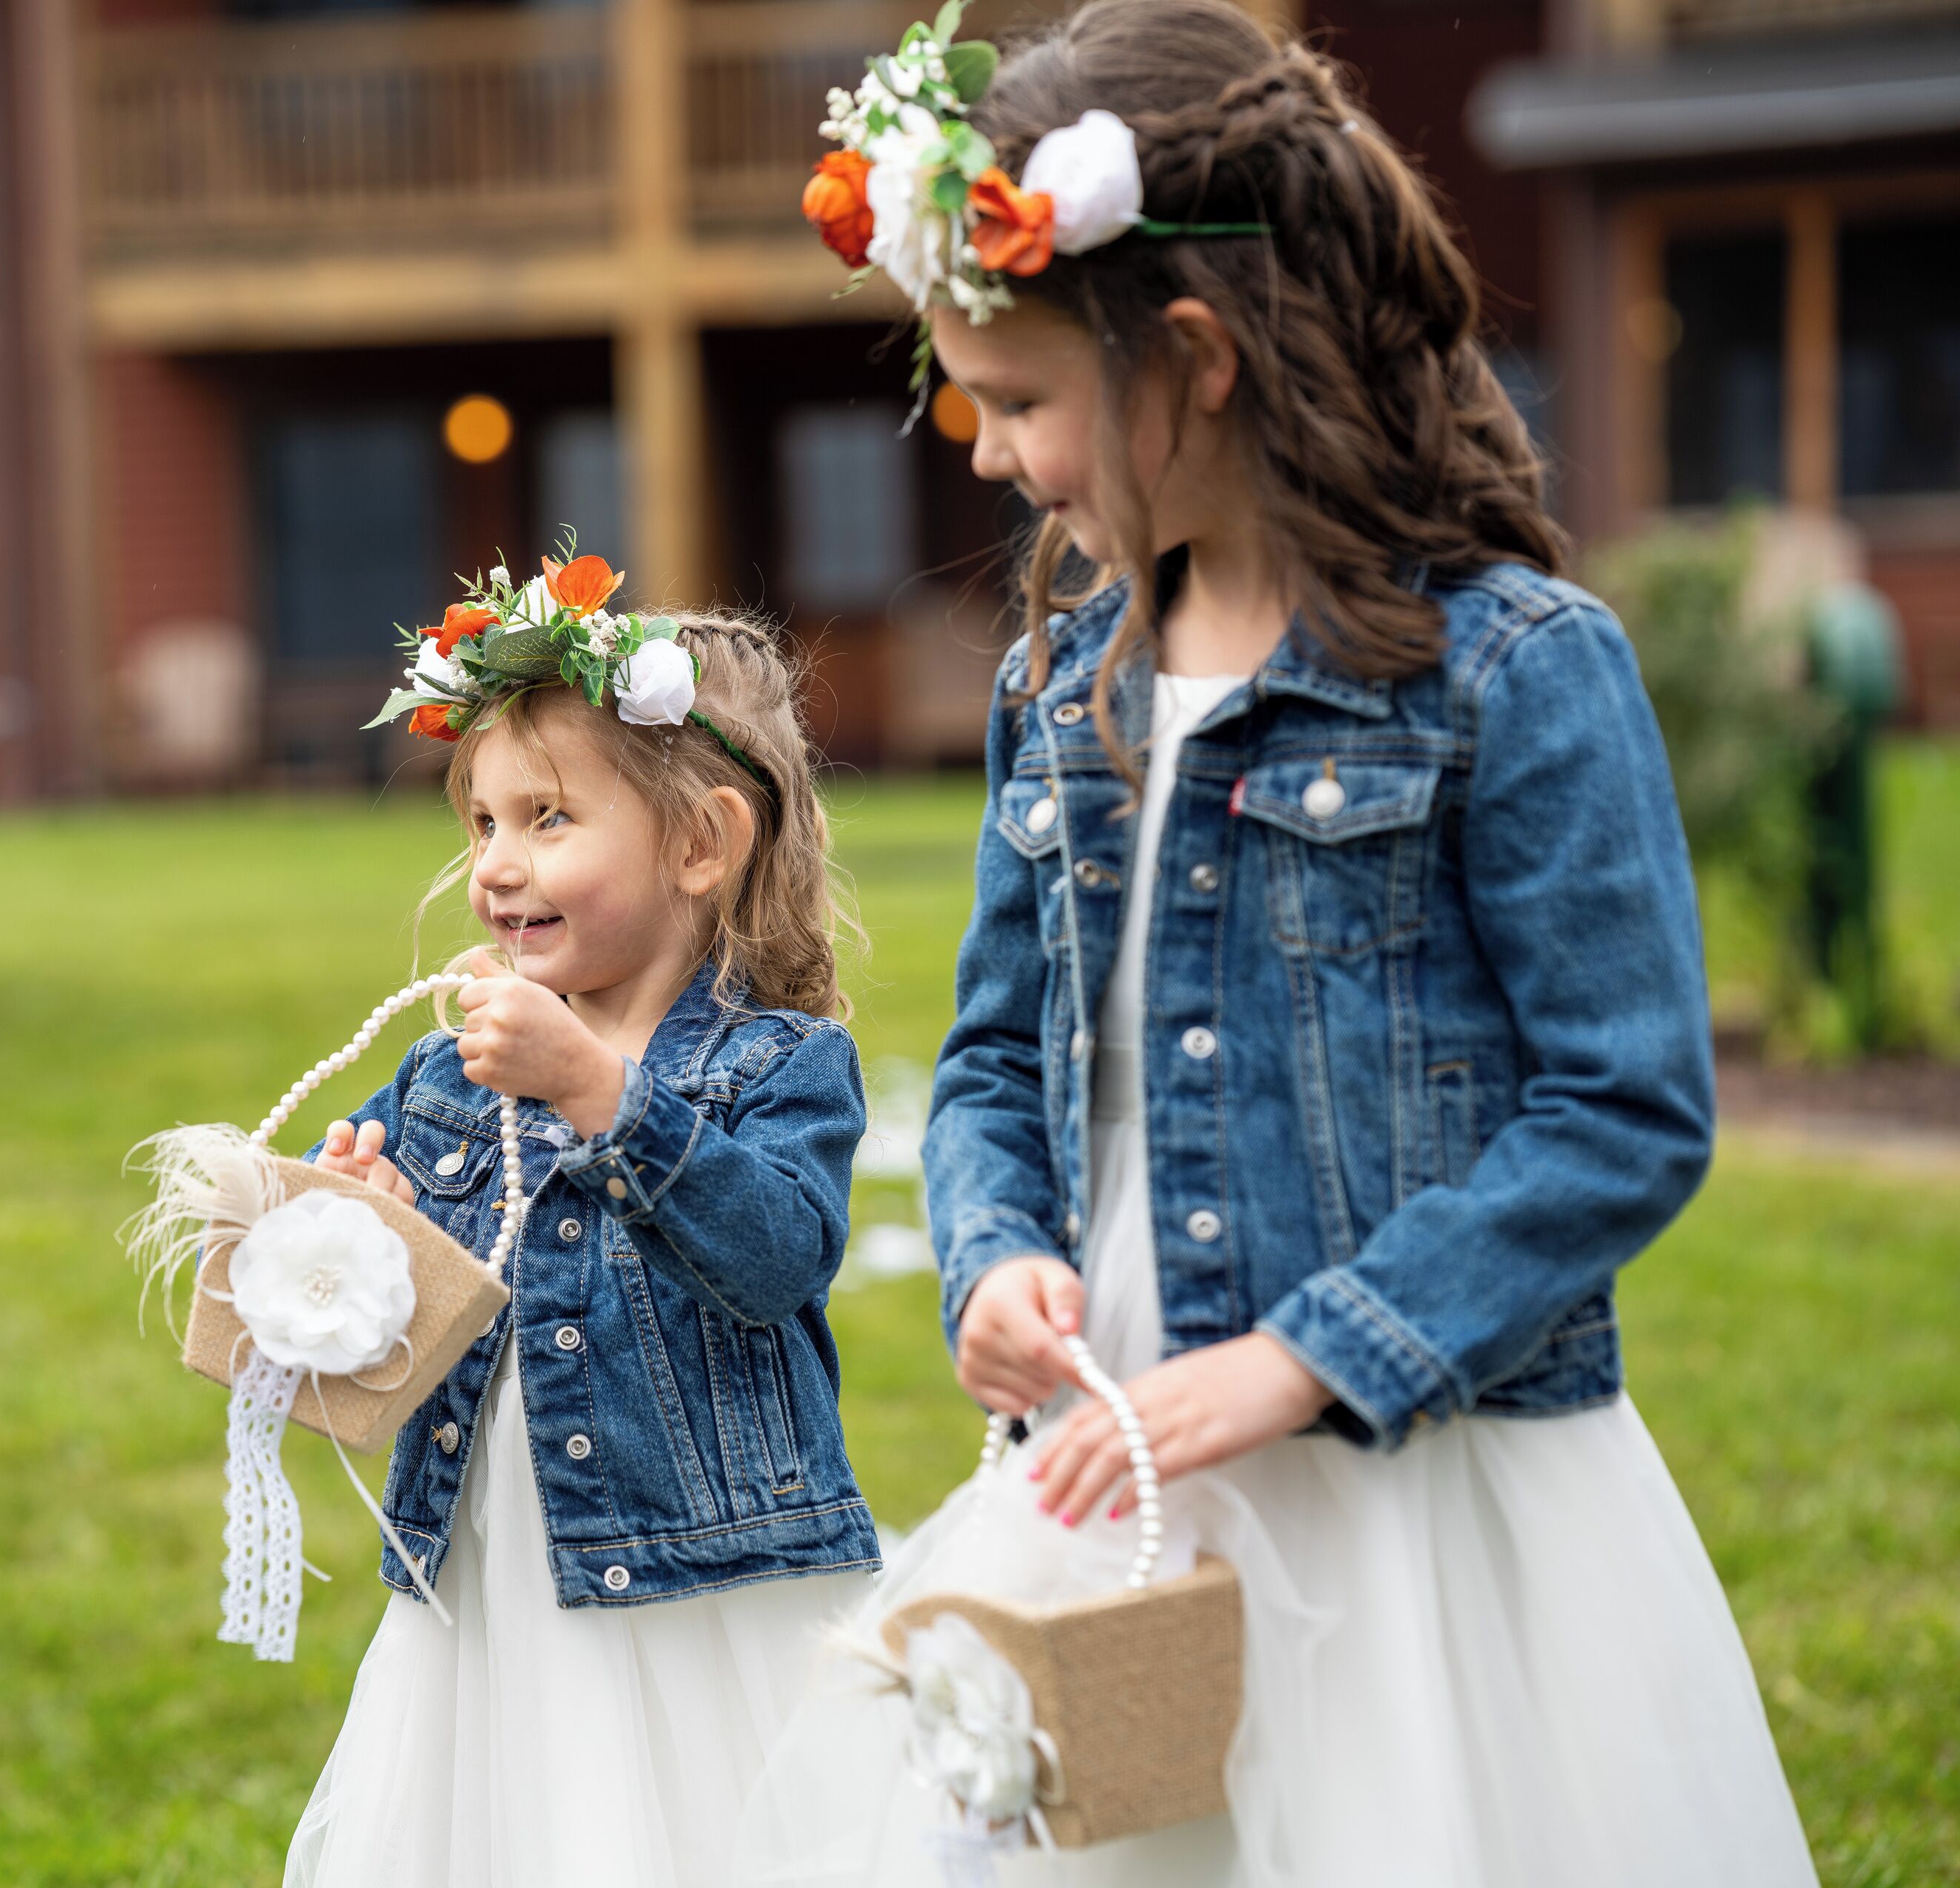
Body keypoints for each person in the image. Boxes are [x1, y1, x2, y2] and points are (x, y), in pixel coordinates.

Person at [740, 4, 1818, 1883]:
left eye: (1015, 400)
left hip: (1414, 1456)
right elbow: (999, 1054)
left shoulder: (1509, 674)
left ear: (1194, 361)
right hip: (1120, 1454)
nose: (985, 458)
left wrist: (1309, 1358)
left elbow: (1620, 1109)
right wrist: (988, 1259)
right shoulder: (1061, 690)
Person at [285, 561, 880, 1887]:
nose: (499, 866)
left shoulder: (777, 1066)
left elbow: (777, 1256)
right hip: (491, 1578)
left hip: (699, 1586)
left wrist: (605, 1094)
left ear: (698, 846)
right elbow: (411, 1324)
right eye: (484, 823)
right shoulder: (446, 1070)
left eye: (548, 820)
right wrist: (363, 1238)